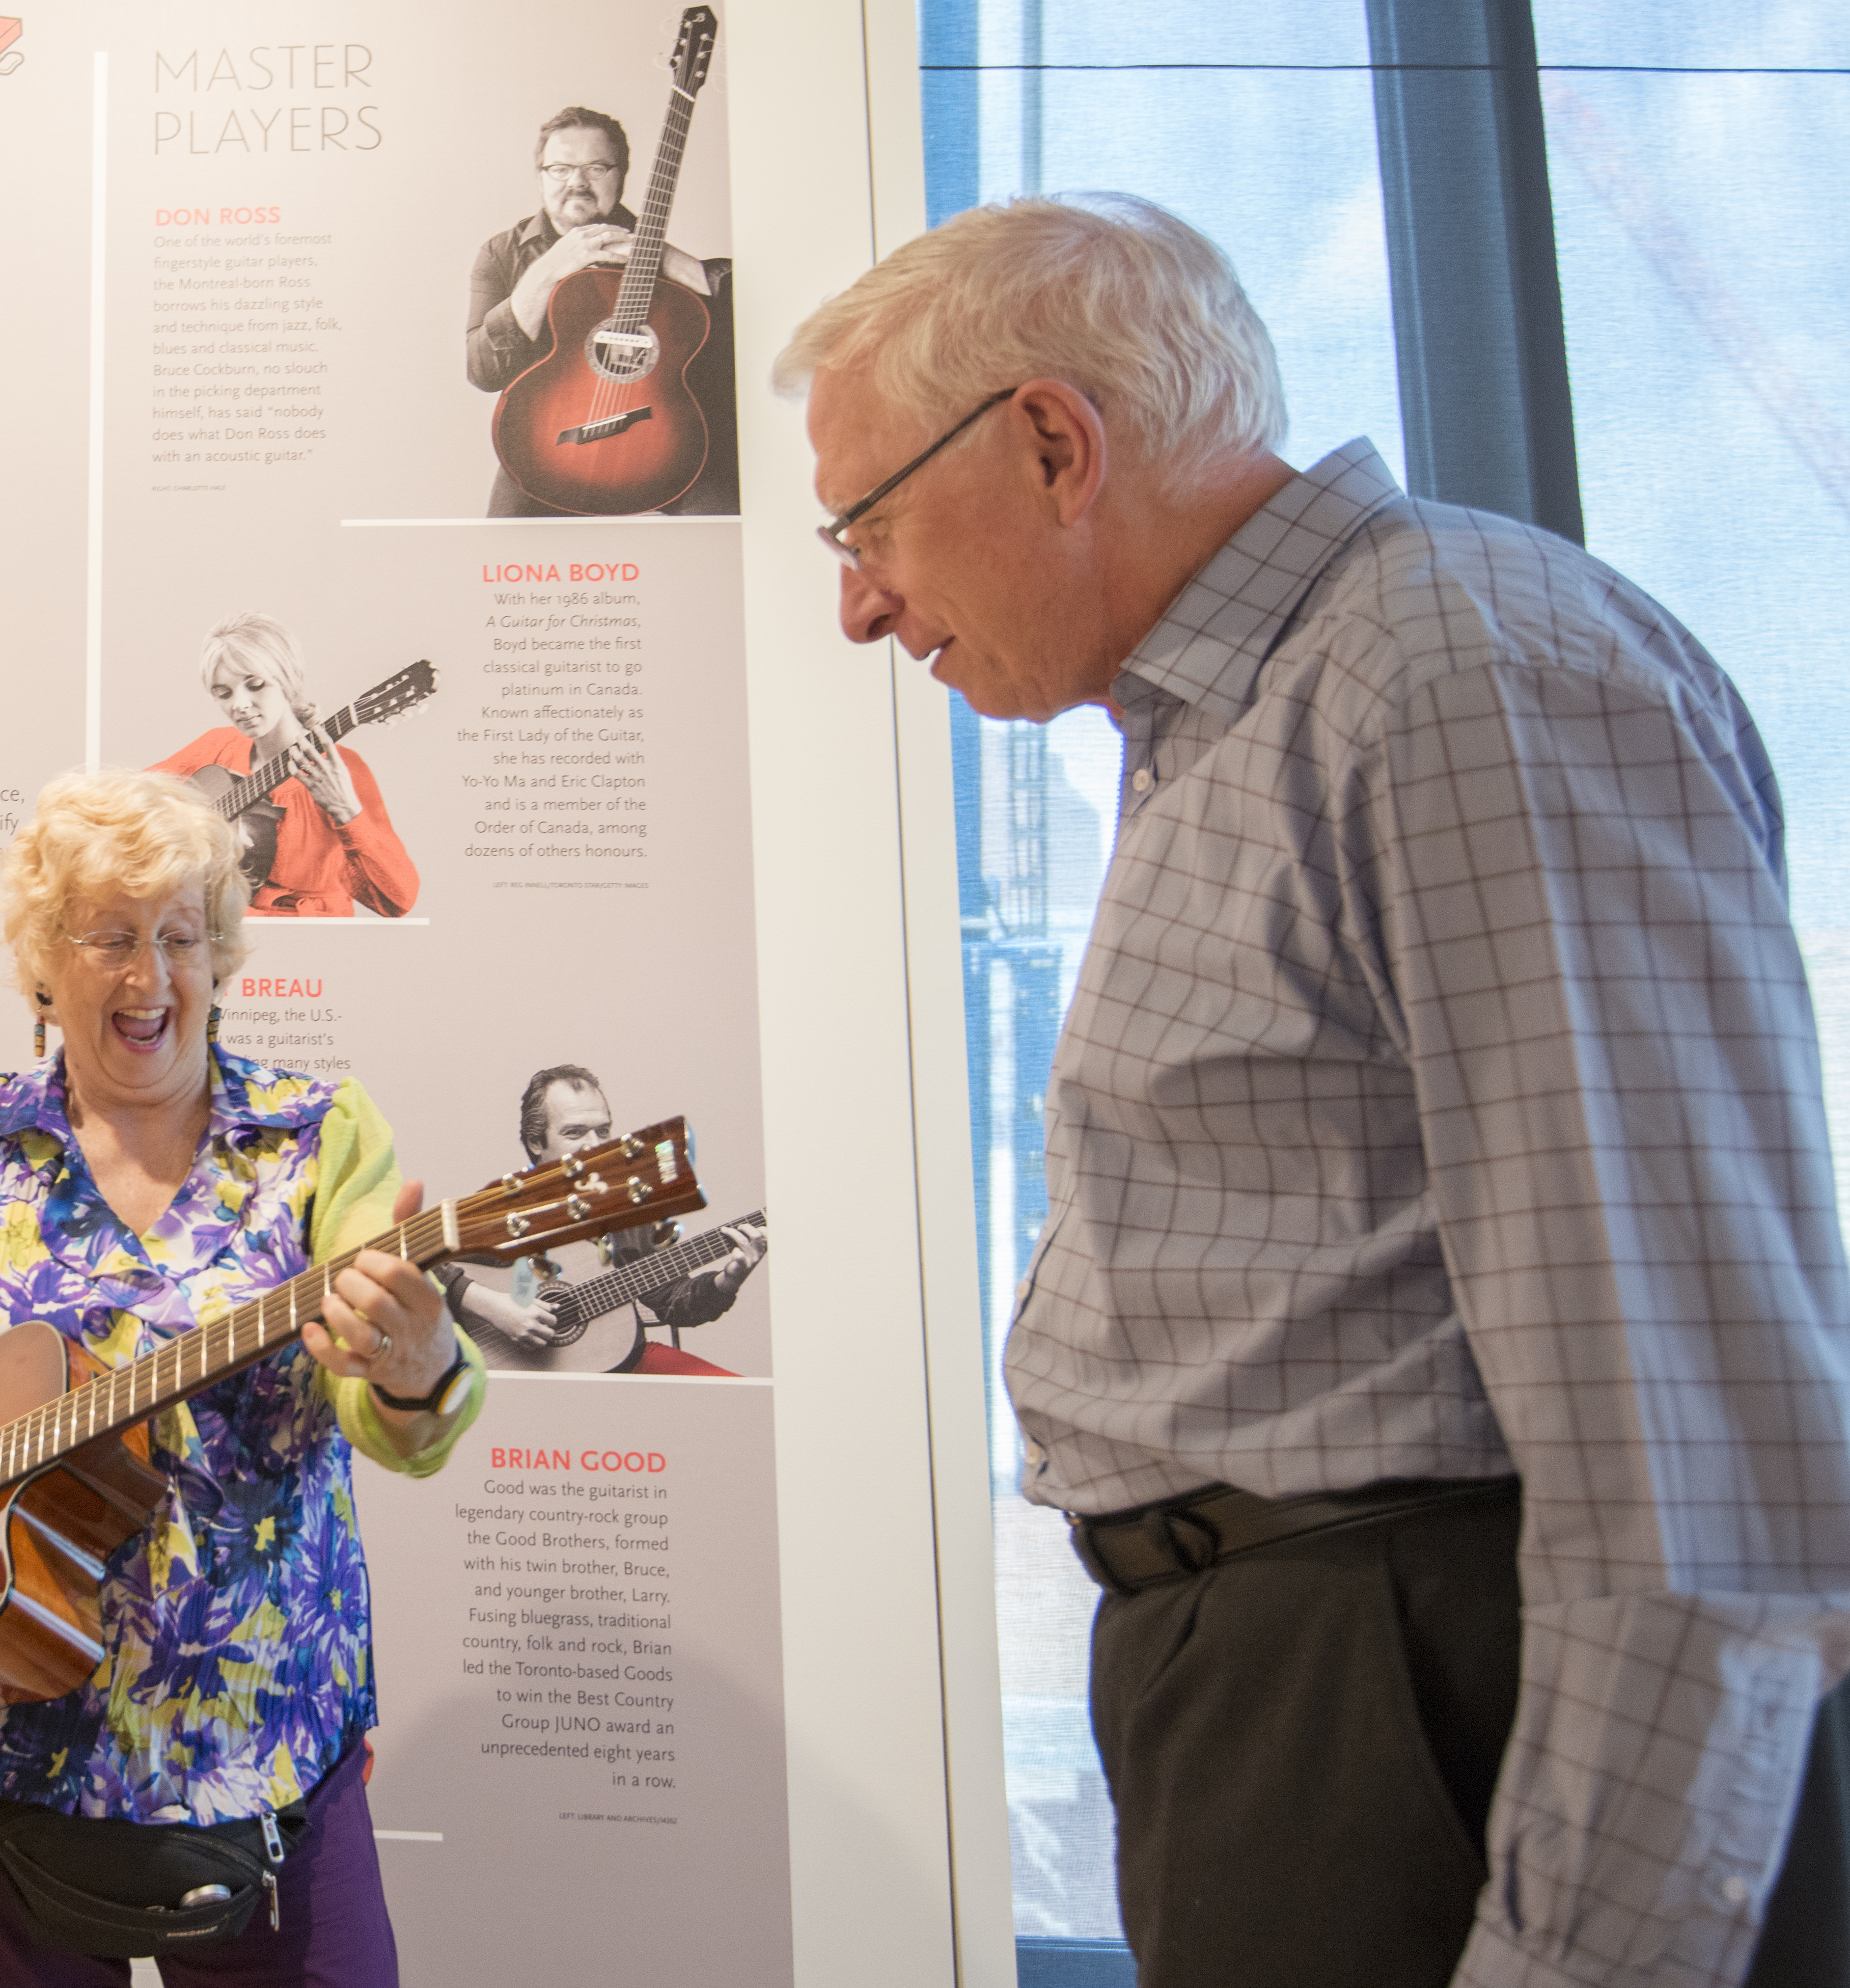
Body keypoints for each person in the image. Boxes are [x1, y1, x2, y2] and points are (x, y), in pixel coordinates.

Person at [779, 191, 1850, 1988]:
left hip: (1409, 1703)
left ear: (1050, 440)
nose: (857, 605)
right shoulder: (1253, 709)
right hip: (1299, 1699)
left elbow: (1686, 1443)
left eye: (867, 519)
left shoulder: (1448, 675)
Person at [0, 768, 483, 1982]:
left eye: (181, 937)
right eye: (110, 938)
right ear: (43, 963)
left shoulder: (318, 1136)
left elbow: (389, 1408)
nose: (149, 977)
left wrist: (417, 1366)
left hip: (271, 1759)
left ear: (220, 954)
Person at [465, 101, 738, 518]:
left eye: (597, 168)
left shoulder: (658, 255)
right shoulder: (501, 254)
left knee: (722, 533)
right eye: (560, 168)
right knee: (505, 548)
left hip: (662, 438)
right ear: (540, 176)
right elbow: (482, 372)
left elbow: (765, 314)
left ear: (621, 176)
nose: (577, 182)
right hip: (552, 445)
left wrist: (670, 260)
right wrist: (549, 269)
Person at [445, 1064, 766, 1373]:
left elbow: (672, 1302)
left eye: (603, 1131)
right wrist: (494, 1307)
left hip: (626, 1368)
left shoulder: (629, 1205)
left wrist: (728, 1280)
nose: (594, 1145)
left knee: (743, 1407)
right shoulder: (502, 1206)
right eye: (575, 1133)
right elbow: (412, 1264)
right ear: (536, 1142)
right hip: (515, 1377)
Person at [152, 612, 419, 918]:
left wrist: (346, 811)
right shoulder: (218, 746)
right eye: (223, 693)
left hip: (313, 940)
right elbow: (128, 804)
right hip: (226, 935)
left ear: (287, 680)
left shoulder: (341, 769)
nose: (238, 705)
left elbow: (399, 900)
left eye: (255, 685)